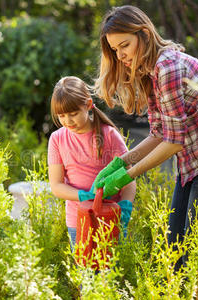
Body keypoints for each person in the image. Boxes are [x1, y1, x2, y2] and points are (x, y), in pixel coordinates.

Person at [91, 5, 198, 258]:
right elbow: (159, 133)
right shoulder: (150, 71)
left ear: (144, 34)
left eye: (124, 45)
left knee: (194, 256)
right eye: (114, 49)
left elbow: (173, 142)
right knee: (174, 250)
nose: (119, 55)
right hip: (194, 166)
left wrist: (127, 176)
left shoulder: (168, 68)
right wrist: (120, 162)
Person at [48, 76, 137, 250]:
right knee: (84, 273)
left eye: (73, 114)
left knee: (111, 272)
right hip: (78, 220)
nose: (68, 121)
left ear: (88, 105)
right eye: (62, 116)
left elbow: (129, 178)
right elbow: (56, 186)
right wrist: (84, 196)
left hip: (111, 217)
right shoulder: (57, 139)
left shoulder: (109, 135)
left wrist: (125, 207)